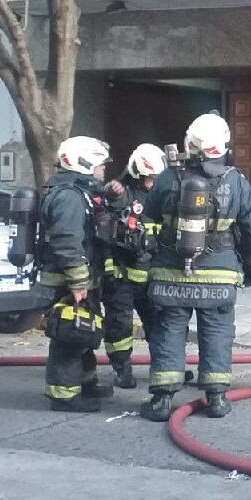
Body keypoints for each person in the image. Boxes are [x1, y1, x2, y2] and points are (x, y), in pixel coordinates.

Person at [140, 113, 251, 422]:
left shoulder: (168, 178)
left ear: (189, 144)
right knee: (218, 333)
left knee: (168, 331)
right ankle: (217, 398)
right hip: (220, 274)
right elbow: (250, 230)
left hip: (171, 272)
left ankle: (162, 400)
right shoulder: (237, 181)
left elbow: (147, 222)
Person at [38, 136, 114, 412]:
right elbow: (66, 240)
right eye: (99, 165)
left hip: (78, 278)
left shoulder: (77, 192)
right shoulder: (69, 196)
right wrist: (78, 280)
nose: (103, 171)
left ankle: (85, 383)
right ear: (84, 163)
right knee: (69, 336)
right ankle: (64, 396)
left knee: (84, 331)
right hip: (66, 281)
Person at [100, 144, 166, 389]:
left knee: (159, 325)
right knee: (119, 326)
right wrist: (110, 192)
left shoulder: (160, 196)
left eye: (155, 178)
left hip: (152, 277)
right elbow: (106, 215)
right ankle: (122, 370)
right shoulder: (120, 193)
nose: (151, 182)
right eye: (148, 178)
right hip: (122, 277)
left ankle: (163, 368)